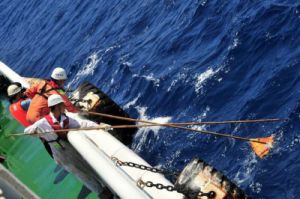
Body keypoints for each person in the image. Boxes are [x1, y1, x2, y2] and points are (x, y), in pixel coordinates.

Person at [24, 94, 111, 197]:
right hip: (61, 156)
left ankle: (108, 187)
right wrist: (33, 131)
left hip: (71, 151)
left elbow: (81, 124)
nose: (64, 107)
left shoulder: (65, 119)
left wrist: (98, 126)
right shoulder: (42, 123)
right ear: (57, 106)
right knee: (81, 174)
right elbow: (27, 131)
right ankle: (102, 193)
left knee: (89, 168)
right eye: (62, 105)